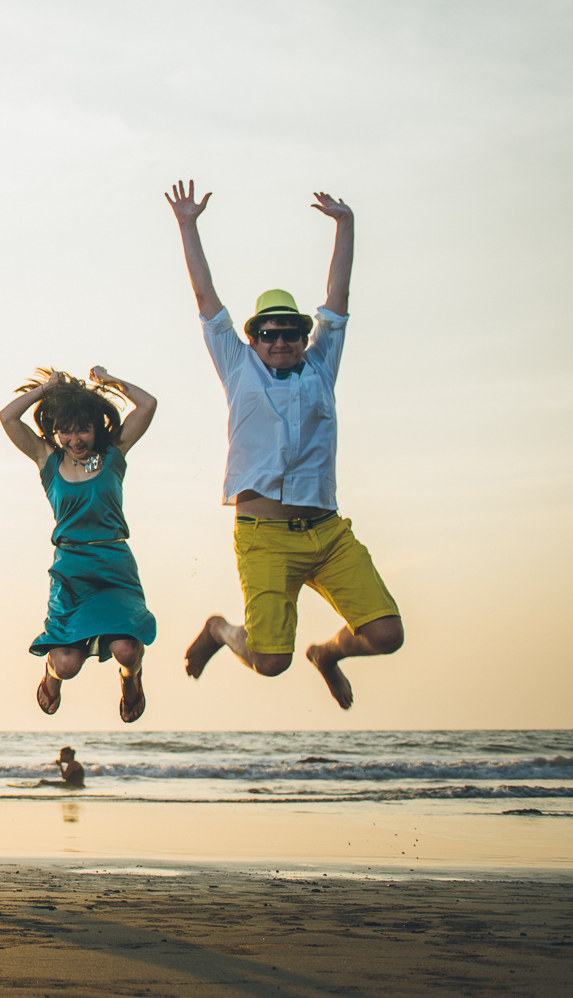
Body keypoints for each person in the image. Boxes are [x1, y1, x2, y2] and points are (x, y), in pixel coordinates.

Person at [166, 182, 404, 708]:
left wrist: (346, 227)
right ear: (253, 339)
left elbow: (337, 305)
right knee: (271, 663)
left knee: (387, 633)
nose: (279, 342)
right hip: (265, 538)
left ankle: (330, 654)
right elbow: (207, 300)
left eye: (290, 333)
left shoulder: (321, 365)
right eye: (268, 334)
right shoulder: (238, 367)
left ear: (302, 336)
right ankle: (219, 630)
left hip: (326, 532)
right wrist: (188, 224)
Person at [0, 366, 159, 724]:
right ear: (55, 432)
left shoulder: (114, 454)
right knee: (68, 664)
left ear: (96, 427)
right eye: (65, 431)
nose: (75, 439)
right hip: (72, 572)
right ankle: (52, 675)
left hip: (115, 566)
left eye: (82, 429)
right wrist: (45, 388)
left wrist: (110, 381)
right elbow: (8, 417)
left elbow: (147, 404)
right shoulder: (48, 461)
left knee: (126, 649)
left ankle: (131, 679)